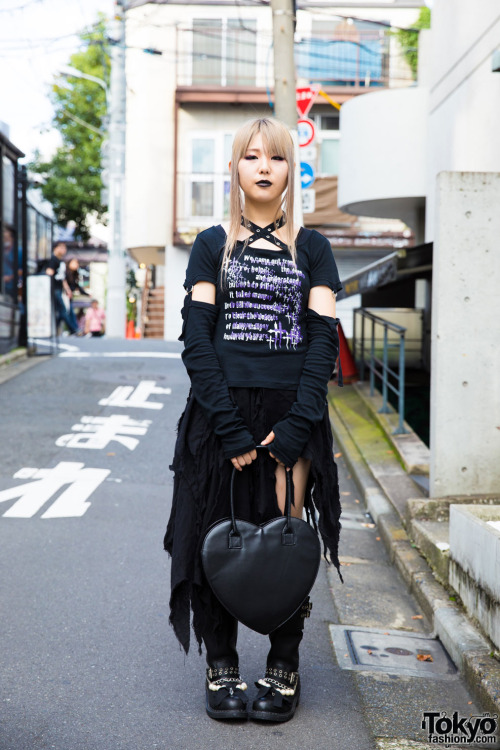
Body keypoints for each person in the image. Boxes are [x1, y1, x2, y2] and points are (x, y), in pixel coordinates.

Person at [164, 117, 343, 723]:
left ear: (292, 170)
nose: (264, 167)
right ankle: (222, 664)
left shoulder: (312, 249)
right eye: (251, 157)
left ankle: (284, 665)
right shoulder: (213, 244)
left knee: (285, 539)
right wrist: (228, 426)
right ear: (236, 168)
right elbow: (197, 339)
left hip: (293, 415)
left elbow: (323, 341)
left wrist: (297, 426)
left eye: (276, 158)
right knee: (218, 534)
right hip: (221, 418)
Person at [46, 242, 78, 335]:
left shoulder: (60, 261)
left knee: (60, 311)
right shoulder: (53, 260)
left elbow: (62, 278)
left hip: (59, 289)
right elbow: (49, 273)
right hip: (54, 288)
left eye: (64, 248)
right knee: (62, 309)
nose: (64, 250)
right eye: (61, 248)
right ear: (55, 248)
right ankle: (73, 329)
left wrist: (67, 289)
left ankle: (55, 329)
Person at [66, 257, 90, 333]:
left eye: (77, 263)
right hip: (64, 295)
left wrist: (87, 294)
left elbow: (78, 287)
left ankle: (74, 329)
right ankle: (74, 329)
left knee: (68, 312)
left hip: (69, 296)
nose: (76, 265)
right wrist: (68, 291)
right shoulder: (65, 272)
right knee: (67, 313)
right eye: (74, 262)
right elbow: (63, 282)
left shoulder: (74, 274)